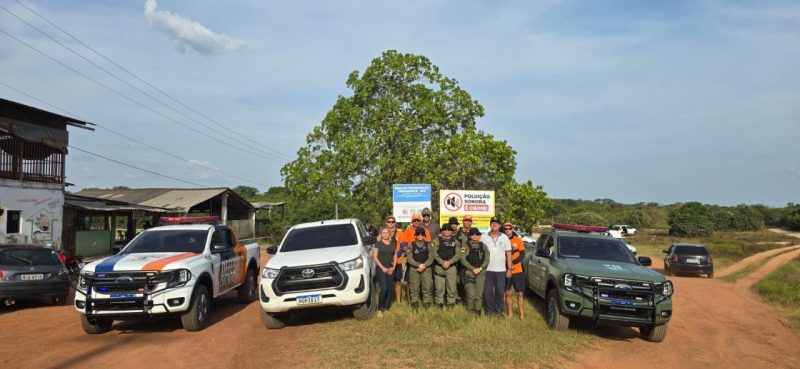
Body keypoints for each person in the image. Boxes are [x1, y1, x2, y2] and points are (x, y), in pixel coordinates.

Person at [480, 216, 513, 316]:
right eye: (493, 222)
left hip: (501, 270)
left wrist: (509, 269)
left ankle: (499, 312)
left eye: (497, 223)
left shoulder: (504, 237)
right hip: (487, 270)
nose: (494, 224)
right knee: (487, 292)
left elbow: (508, 253)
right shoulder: (484, 237)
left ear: (499, 225)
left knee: (499, 292)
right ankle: (490, 311)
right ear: (490, 225)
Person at [461, 227, 489, 315]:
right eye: (472, 234)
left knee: (479, 294)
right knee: (471, 294)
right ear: (469, 236)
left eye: (476, 234)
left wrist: (480, 268)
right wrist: (472, 268)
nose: (474, 236)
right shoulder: (464, 246)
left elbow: (487, 260)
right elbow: (462, 259)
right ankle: (470, 310)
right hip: (469, 272)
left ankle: (478, 310)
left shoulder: (484, 246)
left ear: (479, 236)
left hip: (481, 273)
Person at [406, 227, 435, 310]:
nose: (420, 236)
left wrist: (424, 265)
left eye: (422, 234)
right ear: (415, 235)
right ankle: (415, 303)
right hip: (414, 269)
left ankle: (426, 303)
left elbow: (431, 257)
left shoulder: (429, 244)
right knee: (414, 287)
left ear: (424, 235)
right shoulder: (411, 245)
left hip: (426, 269)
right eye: (418, 234)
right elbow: (409, 259)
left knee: (426, 287)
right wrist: (418, 265)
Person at [372, 227, 397, 317]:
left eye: (387, 232)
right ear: (381, 234)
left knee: (390, 289)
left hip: (390, 268)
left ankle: (386, 308)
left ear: (389, 234)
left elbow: (395, 255)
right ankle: (380, 309)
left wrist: (393, 267)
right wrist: (382, 268)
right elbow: (374, 257)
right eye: (384, 233)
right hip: (381, 268)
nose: (385, 234)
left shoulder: (393, 243)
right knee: (384, 288)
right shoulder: (378, 244)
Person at [434, 223, 460, 308]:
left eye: (449, 230)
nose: (447, 231)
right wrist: (442, 262)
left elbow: (458, 254)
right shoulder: (436, 241)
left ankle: (451, 303)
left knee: (452, 287)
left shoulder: (456, 241)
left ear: (452, 231)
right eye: (445, 229)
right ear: (442, 231)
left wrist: (450, 262)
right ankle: (439, 303)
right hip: (439, 267)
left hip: (451, 267)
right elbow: (433, 253)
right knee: (439, 288)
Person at [504, 222, 526, 319]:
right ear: (504, 230)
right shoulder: (502, 240)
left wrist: (513, 262)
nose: (508, 230)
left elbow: (522, 255)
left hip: (517, 271)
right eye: (506, 229)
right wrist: (508, 265)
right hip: (506, 271)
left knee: (519, 293)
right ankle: (510, 314)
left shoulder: (518, 240)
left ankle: (521, 315)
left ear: (512, 229)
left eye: (510, 228)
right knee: (507, 293)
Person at [386, 215, 408, 304]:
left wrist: (395, 257)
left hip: (397, 261)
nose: (391, 223)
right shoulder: (384, 233)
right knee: (387, 282)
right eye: (389, 222)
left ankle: (398, 302)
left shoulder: (400, 233)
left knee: (397, 282)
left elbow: (403, 247)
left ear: (395, 223)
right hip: (386, 261)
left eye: (392, 222)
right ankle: (388, 301)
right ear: (387, 223)